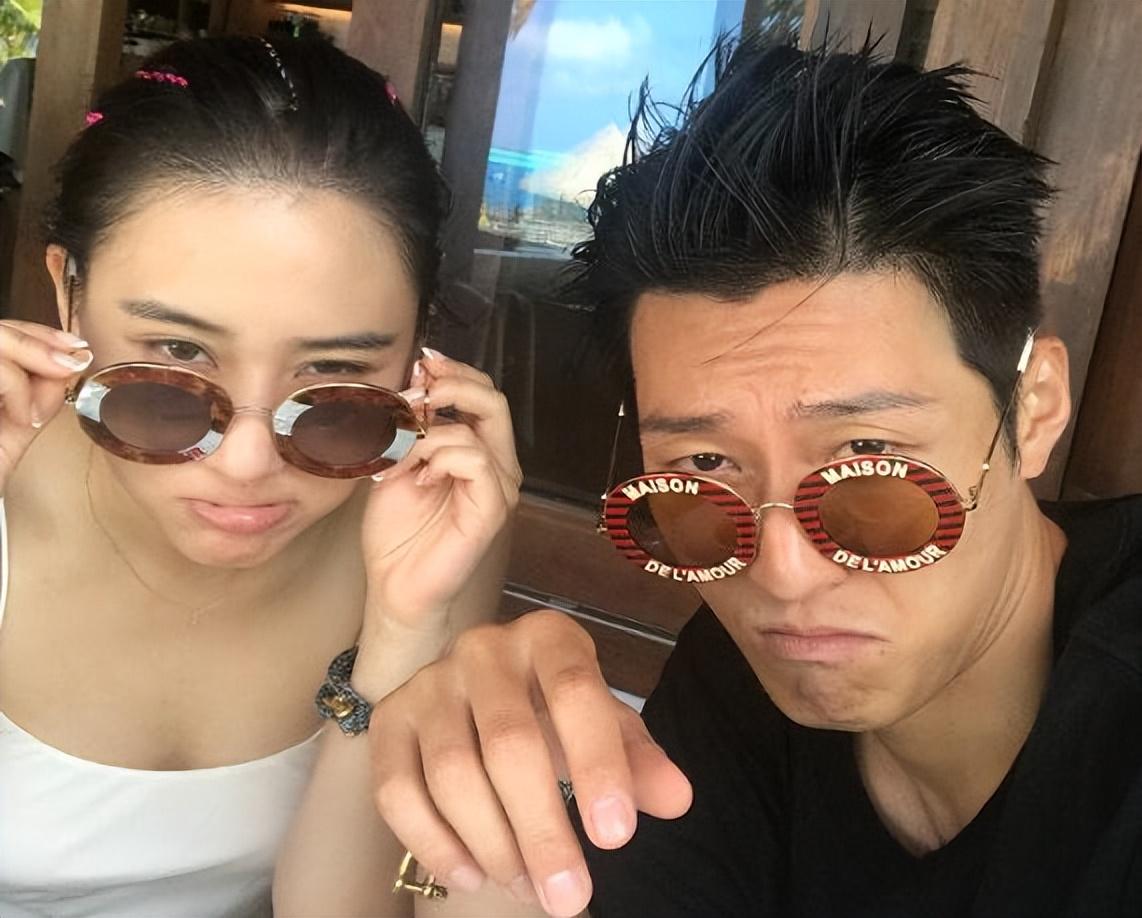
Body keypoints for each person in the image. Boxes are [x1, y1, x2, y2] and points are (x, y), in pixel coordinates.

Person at [369, 38, 1142, 918]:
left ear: (1034, 409)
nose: (782, 574)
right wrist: (495, 829)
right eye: (704, 467)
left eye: (868, 459)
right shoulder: (737, 687)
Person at [0, 36, 529, 917]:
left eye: (334, 380)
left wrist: (401, 635)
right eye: (176, 356)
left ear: (418, 353)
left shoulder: (429, 519)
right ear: (68, 296)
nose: (246, 463)